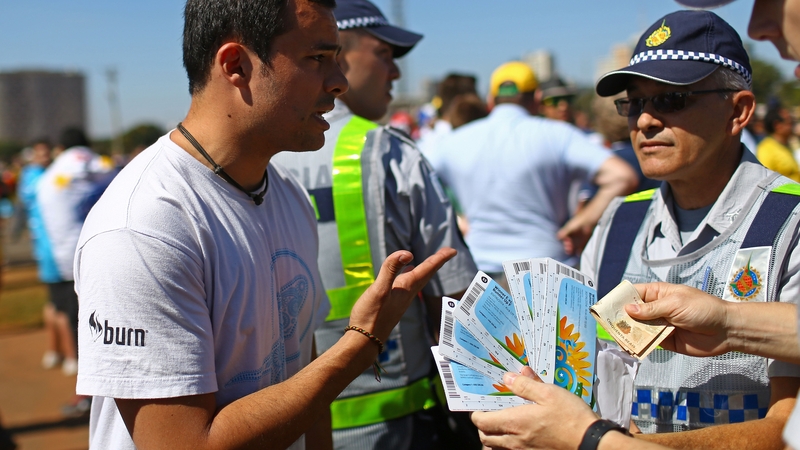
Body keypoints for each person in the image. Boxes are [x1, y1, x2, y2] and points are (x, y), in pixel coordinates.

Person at [74, 0, 456, 448]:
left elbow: (302, 374)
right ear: (235, 64)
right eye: (316, 59)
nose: (339, 82)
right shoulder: (143, 227)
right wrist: (361, 342)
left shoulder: (288, 196)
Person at [578, 9, 800, 446]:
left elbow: (785, 432)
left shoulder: (789, 223)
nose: (644, 121)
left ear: (738, 111)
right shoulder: (618, 222)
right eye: (635, 103)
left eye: (670, 100)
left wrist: (606, 443)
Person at [273, 1, 478, 449]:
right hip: (396, 421)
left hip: (281, 424)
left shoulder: (261, 155)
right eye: (384, 54)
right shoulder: (388, 152)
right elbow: (455, 297)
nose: (395, 73)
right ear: (338, 51)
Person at [428, 61, 637, 284]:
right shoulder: (557, 134)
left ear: (491, 100)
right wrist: (583, 221)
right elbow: (621, 176)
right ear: (537, 98)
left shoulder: (453, 142)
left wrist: (458, 220)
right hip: (549, 273)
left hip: (481, 276)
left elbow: (415, 182)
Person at [757, 104, 800, 181]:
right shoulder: (766, 150)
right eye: (789, 122)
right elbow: (765, 181)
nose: (792, 125)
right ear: (777, 125)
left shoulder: (786, 145)